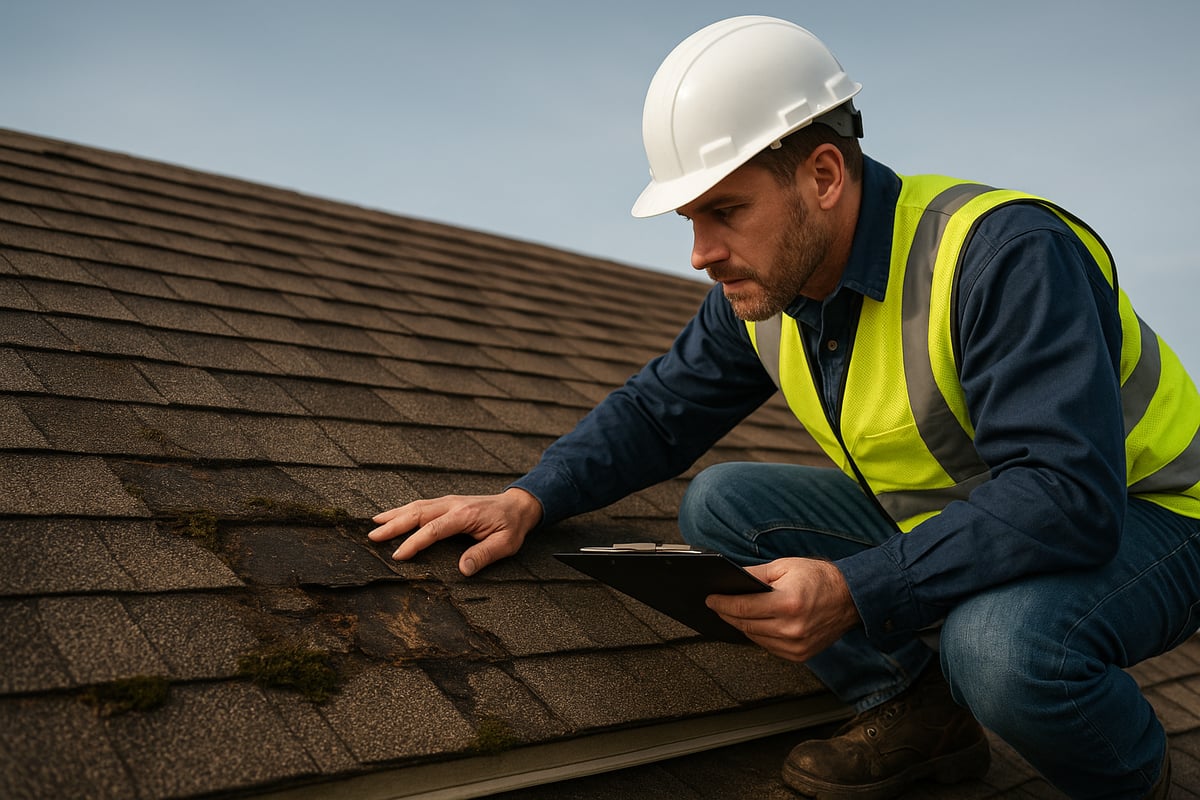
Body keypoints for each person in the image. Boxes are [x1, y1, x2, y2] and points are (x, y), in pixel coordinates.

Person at [370, 15, 1200, 799]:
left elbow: (1065, 498)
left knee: (1003, 651)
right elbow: (661, 411)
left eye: (726, 212)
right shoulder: (767, 289)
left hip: (1154, 517)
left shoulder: (1004, 256)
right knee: (726, 504)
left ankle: (1140, 782)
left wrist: (856, 589)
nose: (701, 254)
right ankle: (919, 710)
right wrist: (527, 498)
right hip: (982, 514)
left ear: (824, 176)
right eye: (693, 219)